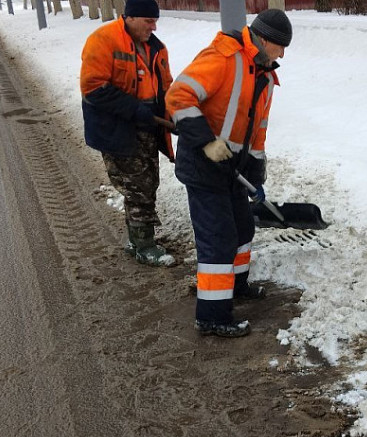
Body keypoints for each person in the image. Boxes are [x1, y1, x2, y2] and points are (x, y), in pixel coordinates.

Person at [165, 9, 292, 337]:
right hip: (203, 165)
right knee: (218, 240)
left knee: (243, 228)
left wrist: (256, 171)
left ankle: (236, 286)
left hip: (232, 167)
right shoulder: (223, 57)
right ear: (265, 40)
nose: (283, 54)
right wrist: (207, 142)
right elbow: (178, 96)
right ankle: (211, 315)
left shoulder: (264, 75)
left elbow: (257, 129)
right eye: (281, 46)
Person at [80, 0, 176, 266]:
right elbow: (93, 88)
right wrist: (134, 109)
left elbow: (166, 87)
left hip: (147, 128)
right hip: (117, 130)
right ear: (130, 17)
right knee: (138, 188)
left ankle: (136, 239)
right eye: (148, 21)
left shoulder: (157, 48)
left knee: (148, 183)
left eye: (155, 21)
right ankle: (144, 245)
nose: (154, 27)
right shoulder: (104, 40)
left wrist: (176, 115)